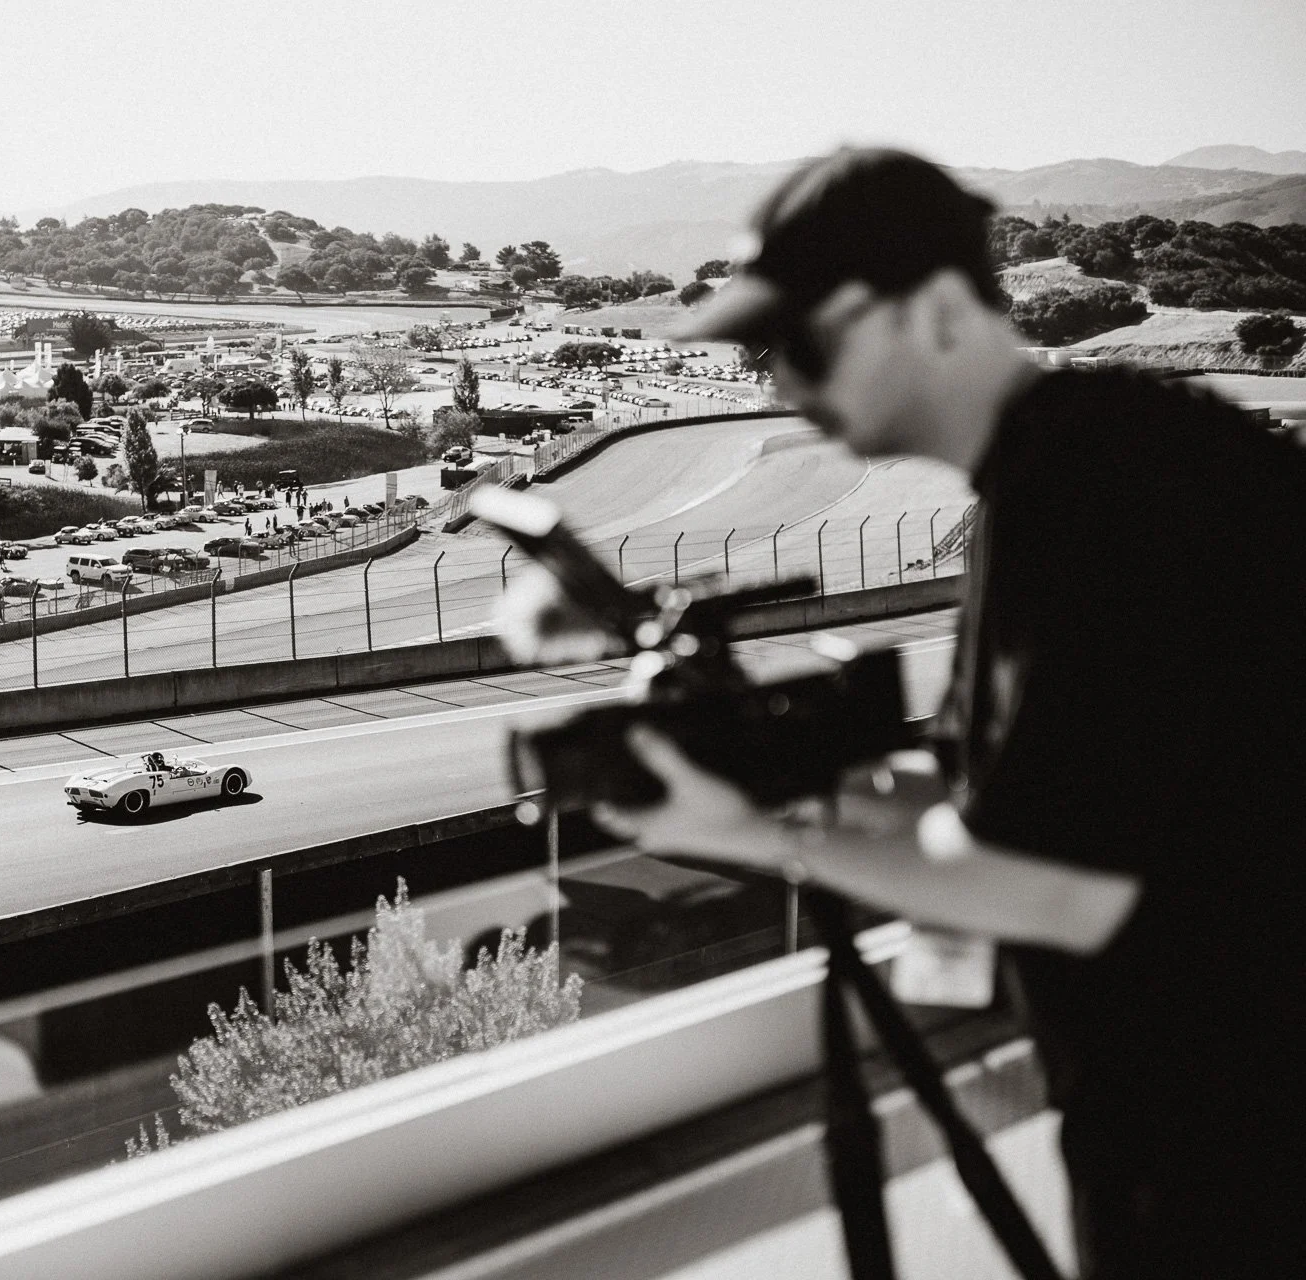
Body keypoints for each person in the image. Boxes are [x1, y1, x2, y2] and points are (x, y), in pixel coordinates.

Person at [509, 148, 1304, 1277]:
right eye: (759, 353)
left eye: (802, 344)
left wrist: (757, 836)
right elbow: (1013, 799)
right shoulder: (1083, 464)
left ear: (933, 310)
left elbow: (1058, 884)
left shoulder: (1097, 493)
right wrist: (764, 766)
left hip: (1237, 1153)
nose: (781, 382)